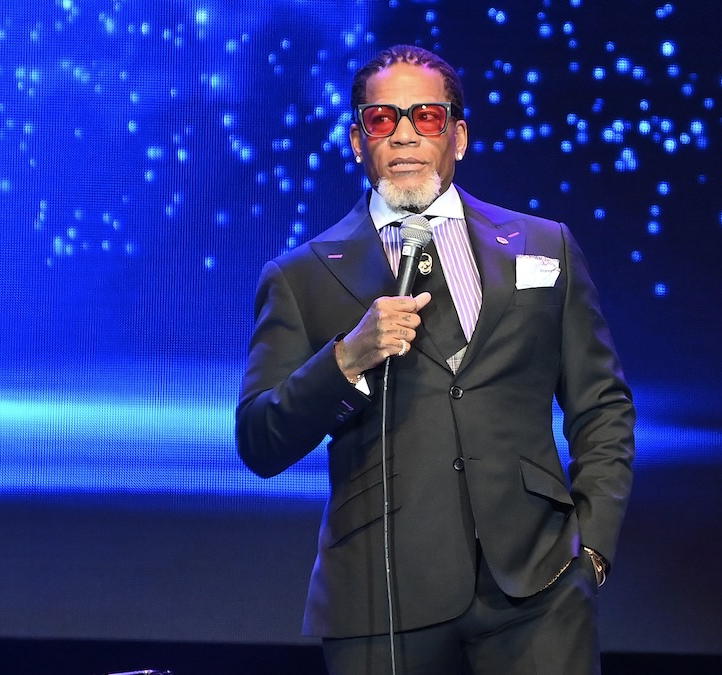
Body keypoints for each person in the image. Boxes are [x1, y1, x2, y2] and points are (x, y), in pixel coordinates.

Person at [236, 44, 635, 675]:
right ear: (357, 140)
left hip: (538, 582)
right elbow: (260, 439)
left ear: (459, 136)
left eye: (426, 117)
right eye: (381, 120)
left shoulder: (542, 244)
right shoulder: (301, 276)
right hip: (382, 590)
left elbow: (602, 404)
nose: (403, 136)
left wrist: (594, 549)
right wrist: (347, 358)